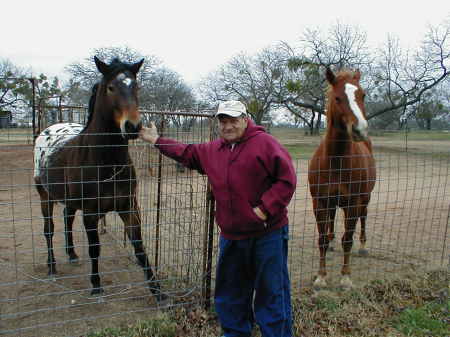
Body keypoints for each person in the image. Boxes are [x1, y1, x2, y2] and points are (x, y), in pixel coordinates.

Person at [139, 100, 296, 337]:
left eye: (233, 120)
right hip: (232, 237)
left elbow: (287, 179)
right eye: (223, 121)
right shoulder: (212, 151)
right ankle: (235, 333)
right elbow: (186, 153)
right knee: (232, 293)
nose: (228, 126)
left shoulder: (265, 144)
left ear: (245, 119)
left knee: (271, 293)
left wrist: (265, 209)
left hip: (267, 235)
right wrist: (156, 140)